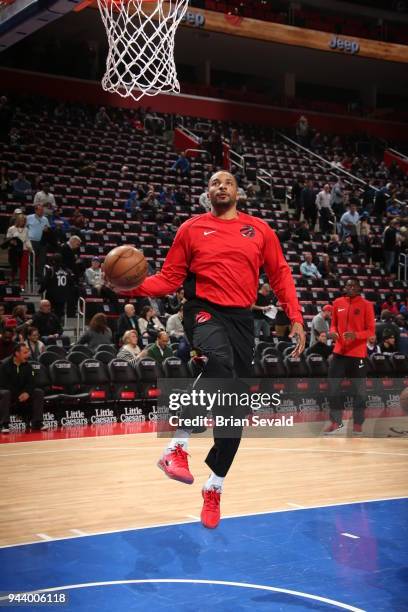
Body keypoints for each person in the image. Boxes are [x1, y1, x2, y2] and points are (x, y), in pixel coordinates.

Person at [119, 170, 304, 529]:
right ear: (208, 192)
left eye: (228, 183)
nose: (222, 187)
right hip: (202, 309)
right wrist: (132, 287)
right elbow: (170, 278)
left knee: (233, 414)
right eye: (215, 183)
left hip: (241, 320)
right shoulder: (190, 229)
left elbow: (280, 274)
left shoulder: (260, 230)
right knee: (217, 363)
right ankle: (177, 447)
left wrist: (294, 316)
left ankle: (214, 486)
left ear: (238, 192)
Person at [325, 278, 375, 435]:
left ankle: (358, 423)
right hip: (339, 352)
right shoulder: (338, 303)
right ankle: (335, 422)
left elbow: (371, 331)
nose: (351, 287)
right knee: (333, 387)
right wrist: (333, 332)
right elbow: (333, 323)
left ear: (359, 289)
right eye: (348, 285)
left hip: (358, 355)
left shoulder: (367, 305)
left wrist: (356, 335)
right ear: (345, 287)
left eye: (354, 285)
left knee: (359, 390)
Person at [0, 343, 46, 433]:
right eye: (25, 353)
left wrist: (27, 393)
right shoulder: (4, 365)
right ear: (17, 353)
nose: (28, 355)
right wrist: (18, 394)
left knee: (38, 392)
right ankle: (4, 424)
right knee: (5, 393)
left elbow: (32, 382)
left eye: (28, 352)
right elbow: (4, 384)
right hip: (9, 392)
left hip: (22, 393)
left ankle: (37, 422)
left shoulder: (28, 366)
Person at [40, 254, 74, 319]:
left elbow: (45, 282)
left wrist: (41, 290)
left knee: (49, 313)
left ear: (53, 261)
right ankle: (58, 326)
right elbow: (71, 283)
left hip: (52, 295)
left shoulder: (51, 270)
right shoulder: (67, 270)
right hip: (63, 295)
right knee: (59, 313)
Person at [6, 214, 32, 290]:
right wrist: (11, 241)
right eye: (21, 221)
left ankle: (22, 285)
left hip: (24, 250)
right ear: (17, 221)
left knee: (24, 268)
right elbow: (7, 238)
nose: (22, 222)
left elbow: (27, 240)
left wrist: (30, 247)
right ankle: (12, 280)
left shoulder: (26, 229)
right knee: (14, 267)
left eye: (23, 221)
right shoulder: (11, 229)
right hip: (14, 251)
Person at [26, 204, 50, 279]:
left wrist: (47, 230)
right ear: (36, 210)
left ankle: (40, 276)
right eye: (40, 210)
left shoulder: (45, 219)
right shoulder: (29, 217)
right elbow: (24, 228)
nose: (42, 212)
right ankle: (30, 276)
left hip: (42, 242)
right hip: (32, 241)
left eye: (42, 210)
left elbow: (48, 229)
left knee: (42, 260)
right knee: (31, 259)